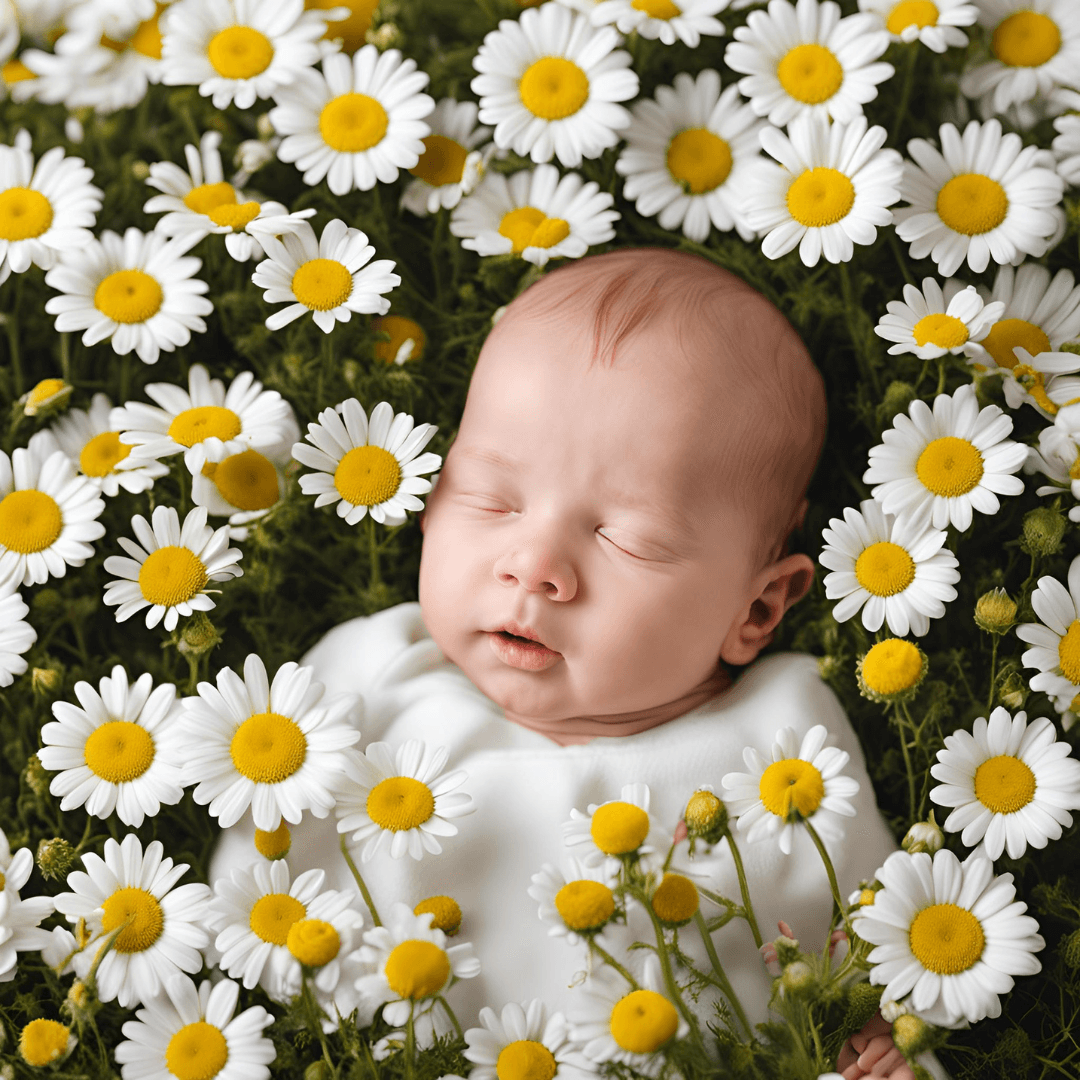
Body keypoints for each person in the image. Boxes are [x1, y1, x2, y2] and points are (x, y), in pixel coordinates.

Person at [211, 247, 918, 1078]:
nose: (534, 561)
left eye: (628, 538)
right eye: (490, 498)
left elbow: (873, 928)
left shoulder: (781, 741)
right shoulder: (375, 671)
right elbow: (252, 888)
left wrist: (876, 1029)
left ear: (755, 609)